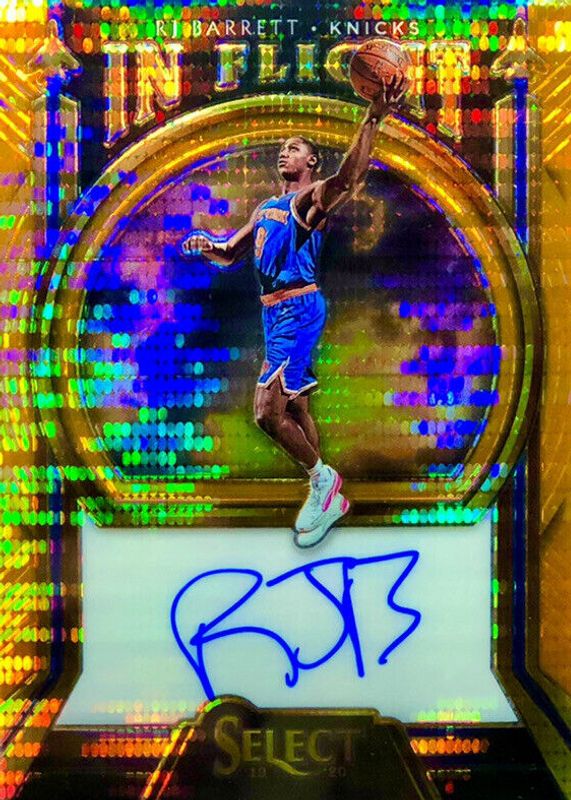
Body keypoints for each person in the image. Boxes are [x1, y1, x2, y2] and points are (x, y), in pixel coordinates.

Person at [182, 77, 406, 548]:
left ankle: (323, 479)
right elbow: (230, 253)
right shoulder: (267, 207)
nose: (284, 153)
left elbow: (348, 180)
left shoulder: (309, 200)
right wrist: (208, 245)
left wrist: (372, 119)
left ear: (312, 162)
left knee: (266, 413)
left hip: (297, 308)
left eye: (294, 148)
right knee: (296, 406)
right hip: (274, 313)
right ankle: (326, 503)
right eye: (282, 148)